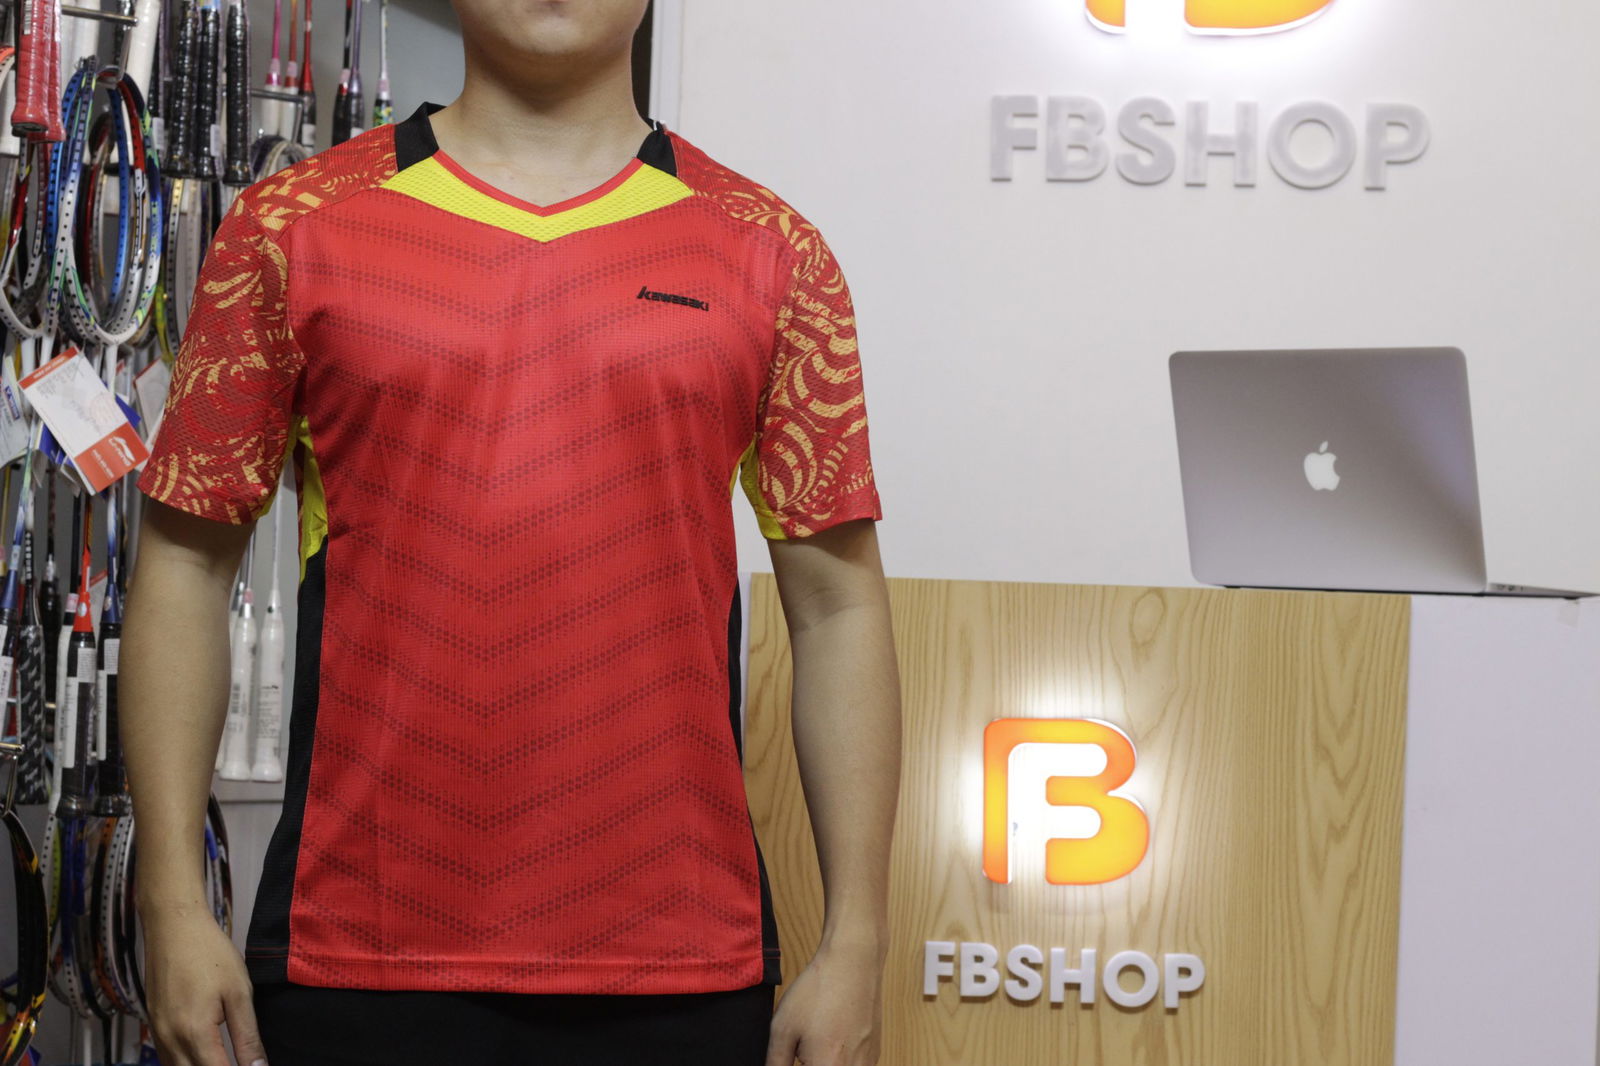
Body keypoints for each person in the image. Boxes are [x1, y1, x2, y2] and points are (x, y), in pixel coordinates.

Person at [119, 1, 900, 1064]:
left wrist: (857, 939)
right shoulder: (289, 226)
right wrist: (169, 901)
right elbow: (183, 563)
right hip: (358, 951)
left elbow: (837, 604)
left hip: (678, 962)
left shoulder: (773, 253)